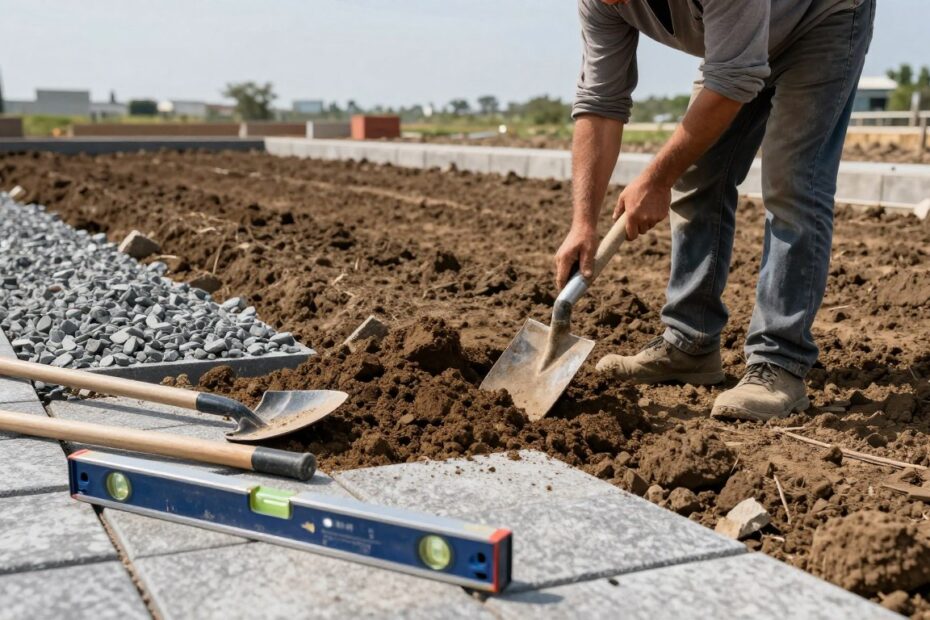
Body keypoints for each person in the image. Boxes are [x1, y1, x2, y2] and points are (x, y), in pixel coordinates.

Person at [554, 0, 875, 421]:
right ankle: (690, 343)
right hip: (741, 39)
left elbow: (734, 79)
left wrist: (654, 179)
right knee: (697, 178)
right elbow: (600, 101)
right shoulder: (600, 3)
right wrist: (583, 222)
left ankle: (779, 362)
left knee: (792, 185)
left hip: (819, 18)